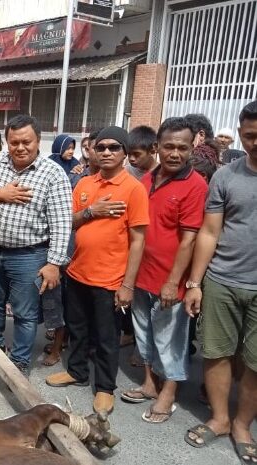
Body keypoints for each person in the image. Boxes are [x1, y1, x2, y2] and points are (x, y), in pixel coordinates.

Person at [46, 126, 149, 416]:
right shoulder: (84, 184)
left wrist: (128, 285)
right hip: (78, 272)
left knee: (106, 336)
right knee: (77, 329)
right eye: (100, 147)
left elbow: (139, 239)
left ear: (125, 153)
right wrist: (92, 211)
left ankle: (105, 387)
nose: (105, 152)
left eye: (113, 147)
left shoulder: (133, 189)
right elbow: (71, 222)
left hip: (110, 278)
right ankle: (77, 372)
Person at [183, 101, 257, 464]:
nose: (256, 142)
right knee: (216, 352)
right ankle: (221, 419)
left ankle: (243, 425)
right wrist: (195, 282)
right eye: (250, 136)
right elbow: (209, 232)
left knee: (256, 362)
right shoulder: (226, 177)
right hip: (223, 279)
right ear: (241, 133)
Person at [120, 117, 207, 424]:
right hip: (140, 274)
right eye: (169, 146)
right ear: (157, 147)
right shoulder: (146, 179)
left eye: (182, 147)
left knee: (171, 338)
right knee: (144, 332)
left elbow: (189, 240)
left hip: (170, 280)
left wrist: (174, 282)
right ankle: (149, 383)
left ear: (192, 146)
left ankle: (169, 392)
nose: (175, 153)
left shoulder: (195, 185)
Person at [0, 115, 72, 375]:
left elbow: (62, 222)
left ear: (38, 141)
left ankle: (19, 361)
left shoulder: (53, 174)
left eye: (26, 142)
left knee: (24, 312)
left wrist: (54, 264)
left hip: (30, 256)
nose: (19, 147)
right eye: (14, 142)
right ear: (6, 141)